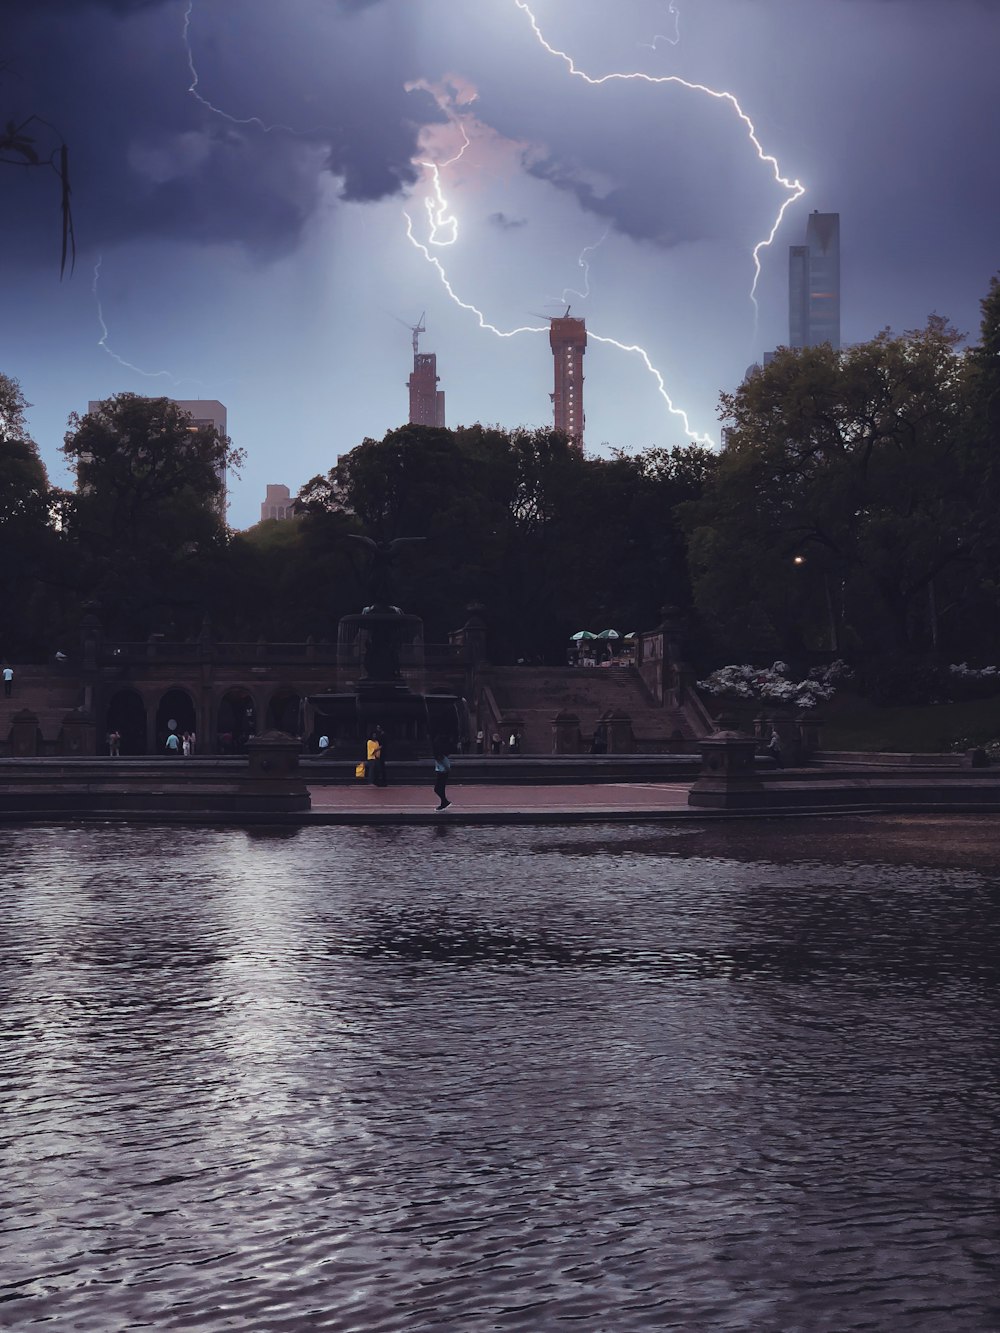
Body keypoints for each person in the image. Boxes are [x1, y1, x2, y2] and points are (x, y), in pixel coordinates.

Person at [432, 739, 452, 810]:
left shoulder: (441, 757)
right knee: (440, 789)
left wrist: (446, 771)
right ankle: (444, 802)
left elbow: (447, 765)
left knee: (438, 789)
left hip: (443, 773)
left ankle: (445, 802)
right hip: (440, 773)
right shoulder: (438, 756)